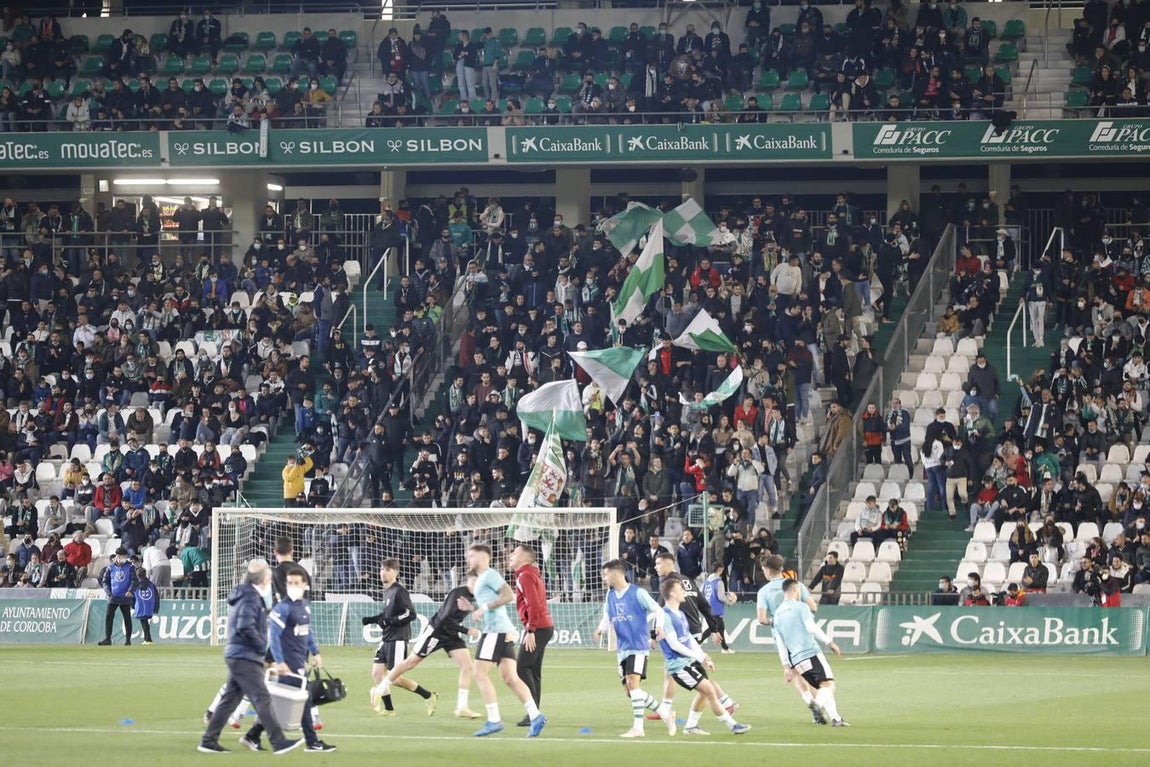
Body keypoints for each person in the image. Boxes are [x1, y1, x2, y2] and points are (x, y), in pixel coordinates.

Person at [199, 559, 303, 755]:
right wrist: (260, 645)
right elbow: (245, 626)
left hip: (239, 654)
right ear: (262, 580)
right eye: (269, 579)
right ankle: (278, 741)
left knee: (230, 699)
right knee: (262, 697)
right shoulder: (251, 598)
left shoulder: (247, 596)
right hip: (245, 655)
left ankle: (208, 740)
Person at [241, 565, 335, 753]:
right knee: (304, 700)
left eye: (296, 583)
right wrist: (280, 661)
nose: (292, 586)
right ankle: (312, 742)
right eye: (289, 583)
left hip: (299, 660)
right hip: (288, 662)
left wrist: (315, 652)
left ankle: (253, 734)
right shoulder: (282, 609)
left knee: (281, 703)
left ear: (304, 585)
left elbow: (306, 631)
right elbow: (273, 637)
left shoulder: (304, 606)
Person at [464, 543, 547, 737]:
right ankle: (536, 716)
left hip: (495, 631)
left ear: (484, 558)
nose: (468, 559)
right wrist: (472, 608)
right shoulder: (483, 578)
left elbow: (508, 595)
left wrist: (483, 609)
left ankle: (494, 720)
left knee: (479, 674)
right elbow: (490, 603)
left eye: (472, 556)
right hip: (502, 630)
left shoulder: (490, 574)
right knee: (510, 678)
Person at [377, 572, 481, 720]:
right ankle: (381, 688)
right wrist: (466, 630)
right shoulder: (458, 593)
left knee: (467, 665)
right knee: (411, 662)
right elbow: (444, 617)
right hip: (436, 632)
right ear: (473, 579)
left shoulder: (472, 597)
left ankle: (462, 707)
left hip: (451, 634)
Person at [593, 559, 675, 738]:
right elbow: (608, 615)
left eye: (606, 574)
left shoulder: (638, 593)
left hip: (637, 646)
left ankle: (638, 728)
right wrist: (601, 629)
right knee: (631, 692)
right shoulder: (611, 595)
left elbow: (658, 610)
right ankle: (666, 713)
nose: (604, 578)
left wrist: (658, 626)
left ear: (616, 574)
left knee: (633, 682)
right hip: (622, 648)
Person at [657, 579, 751, 736]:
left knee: (705, 692)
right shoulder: (664, 615)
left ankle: (691, 726)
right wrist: (698, 657)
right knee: (710, 691)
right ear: (672, 594)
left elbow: (688, 638)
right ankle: (733, 725)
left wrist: (702, 656)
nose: (684, 592)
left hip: (688, 662)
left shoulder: (679, 613)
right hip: (678, 665)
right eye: (680, 589)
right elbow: (674, 644)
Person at [756, 554, 826, 724]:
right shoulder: (796, 585)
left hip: (783, 638)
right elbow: (813, 607)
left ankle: (810, 702)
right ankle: (819, 706)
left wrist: (778, 619)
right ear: (781, 569)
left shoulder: (764, 591)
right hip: (803, 637)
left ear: (767, 570)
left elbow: (762, 619)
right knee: (812, 675)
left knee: (795, 674)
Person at [364, 559, 437, 716]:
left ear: (396, 572)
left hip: (397, 639)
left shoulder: (399, 591)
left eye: (388, 569)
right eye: (382, 568)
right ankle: (389, 709)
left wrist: (389, 621)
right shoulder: (388, 592)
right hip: (385, 639)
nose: (384, 571)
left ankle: (428, 695)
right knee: (377, 673)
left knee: (396, 678)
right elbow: (388, 615)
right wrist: (372, 619)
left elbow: (410, 614)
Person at [772, 578, 849, 727]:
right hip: (811, 653)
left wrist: (786, 666)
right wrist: (830, 642)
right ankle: (817, 705)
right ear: (795, 590)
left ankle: (836, 719)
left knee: (822, 687)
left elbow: (780, 643)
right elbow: (812, 627)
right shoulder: (801, 607)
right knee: (829, 686)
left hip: (796, 660)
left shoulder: (777, 614)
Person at [510, 544, 553, 726]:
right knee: (533, 671)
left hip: (538, 627)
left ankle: (533, 713)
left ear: (524, 559)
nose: (511, 555)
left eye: (514, 553)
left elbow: (533, 604)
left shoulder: (525, 576)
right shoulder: (530, 574)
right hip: (544, 626)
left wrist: (530, 630)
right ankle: (534, 714)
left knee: (521, 668)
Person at [98, 547, 137, 646]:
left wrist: (130, 590)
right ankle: (107, 639)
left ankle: (128, 640)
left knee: (127, 617)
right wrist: (109, 593)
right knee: (109, 617)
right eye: (120, 556)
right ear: (117, 556)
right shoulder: (110, 567)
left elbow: (134, 580)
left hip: (125, 596)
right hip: (113, 596)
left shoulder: (130, 567)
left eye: (123, 556)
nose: (121, 558)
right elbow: (105, 581)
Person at [701, 562, 737, 653]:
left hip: (708, 606)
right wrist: (729, 602)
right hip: (715, 607)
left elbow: (702, 593)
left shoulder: (707, 581)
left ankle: (725, 648)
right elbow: (720, 596)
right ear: (720, 569)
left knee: (720, 627)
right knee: (714, 627)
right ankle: (698, 641)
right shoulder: (719, 582)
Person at [132, 566, 159, 645]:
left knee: (144, 623)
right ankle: (148, 639)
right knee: (145, 622)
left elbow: (132, 597)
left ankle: (147, 639)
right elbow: (156, 596)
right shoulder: (151, 585)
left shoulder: (135, 585)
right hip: (149, 606)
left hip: (140, 606)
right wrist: (156, 607)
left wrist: (133, 606)